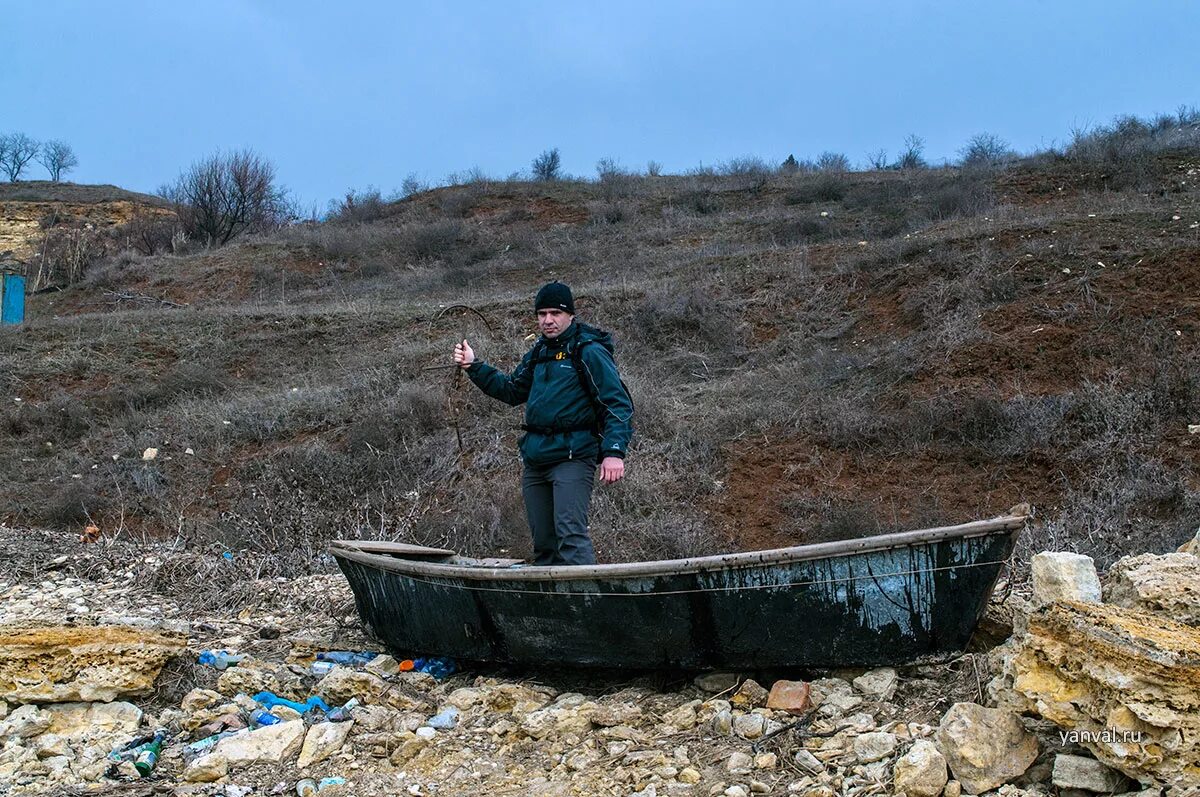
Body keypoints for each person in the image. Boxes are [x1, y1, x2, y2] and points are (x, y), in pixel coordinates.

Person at [453, 282, 633, 566]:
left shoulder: (588, 351)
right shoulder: (539, 352)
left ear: (570, 315)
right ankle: (554, 607)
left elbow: (617, 403)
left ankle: (591, 605)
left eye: (555, 313)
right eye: (542, 314)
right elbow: (512, 390)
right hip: (536, 459)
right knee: (544, 545)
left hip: (573, 456)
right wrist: (475, 366)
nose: (547, 320)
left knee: (571, 537)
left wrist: (613, 452)